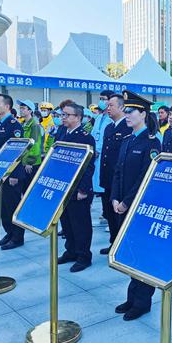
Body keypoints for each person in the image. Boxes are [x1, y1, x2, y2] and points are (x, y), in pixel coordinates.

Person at [112, 90, 161, 321]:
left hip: (139, 207)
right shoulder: (127, 140)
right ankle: (132, 296)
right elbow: (117, 172)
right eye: (126, 110)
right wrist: (115, 198)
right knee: (131, 252)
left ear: (143, 114)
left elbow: (146, 178)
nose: (127, 114)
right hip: (122, 205)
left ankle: (142, 302)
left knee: (142, 253)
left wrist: (126, 202)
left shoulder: (152, 143)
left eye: (131, 111)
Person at [55, 102, 96, 272]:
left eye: (67, 115)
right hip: (63, 185)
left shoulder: (85, 137)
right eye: (62, 114)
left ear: (78, 117)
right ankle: (70, 251)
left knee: (80, 224)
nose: (63, 118)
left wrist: (83, 189)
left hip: (78, 188)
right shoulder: (62, 132)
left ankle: (83, 256)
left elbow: (89, 166)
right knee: (66, 222)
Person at [99, 93, 132, 255]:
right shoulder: (109, 127)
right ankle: (113, 242)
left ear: (121, 107)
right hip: (108, 180)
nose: (108, 108)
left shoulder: (128, 127)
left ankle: (122, 246)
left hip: (120, 181)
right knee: (109, 214)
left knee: (120, 215)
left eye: (111, 105)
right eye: (107, 105)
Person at [0, 94, 25, 250]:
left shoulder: (14, 125)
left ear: (7, 106)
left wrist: (14, 174)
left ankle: (17, 237)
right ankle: (9, 232)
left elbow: (18, 151)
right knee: (4, 207)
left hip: (11, 173)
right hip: (1, 171)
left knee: (12, 205)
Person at [91, 90, 114, 220]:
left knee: (106, 185)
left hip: (104, 155)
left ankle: (107, 213)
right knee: (98, 185)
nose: (101, 101)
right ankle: (105, 212)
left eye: (103, 99)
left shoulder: (111, 119)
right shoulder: (99, 117)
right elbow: (94, 135)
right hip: (95, 154)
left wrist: (99, 149)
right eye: (100, 98)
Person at [17, 100, 42, 192]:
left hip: (31, 163)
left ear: (30, 111)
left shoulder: (34, 125)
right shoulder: (22, 124)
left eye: (23, 108)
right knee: (23, 189)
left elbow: (35, 144)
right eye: (20, 108)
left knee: (29, 189)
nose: (21, 110)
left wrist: (30, 162)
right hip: (23, 161)